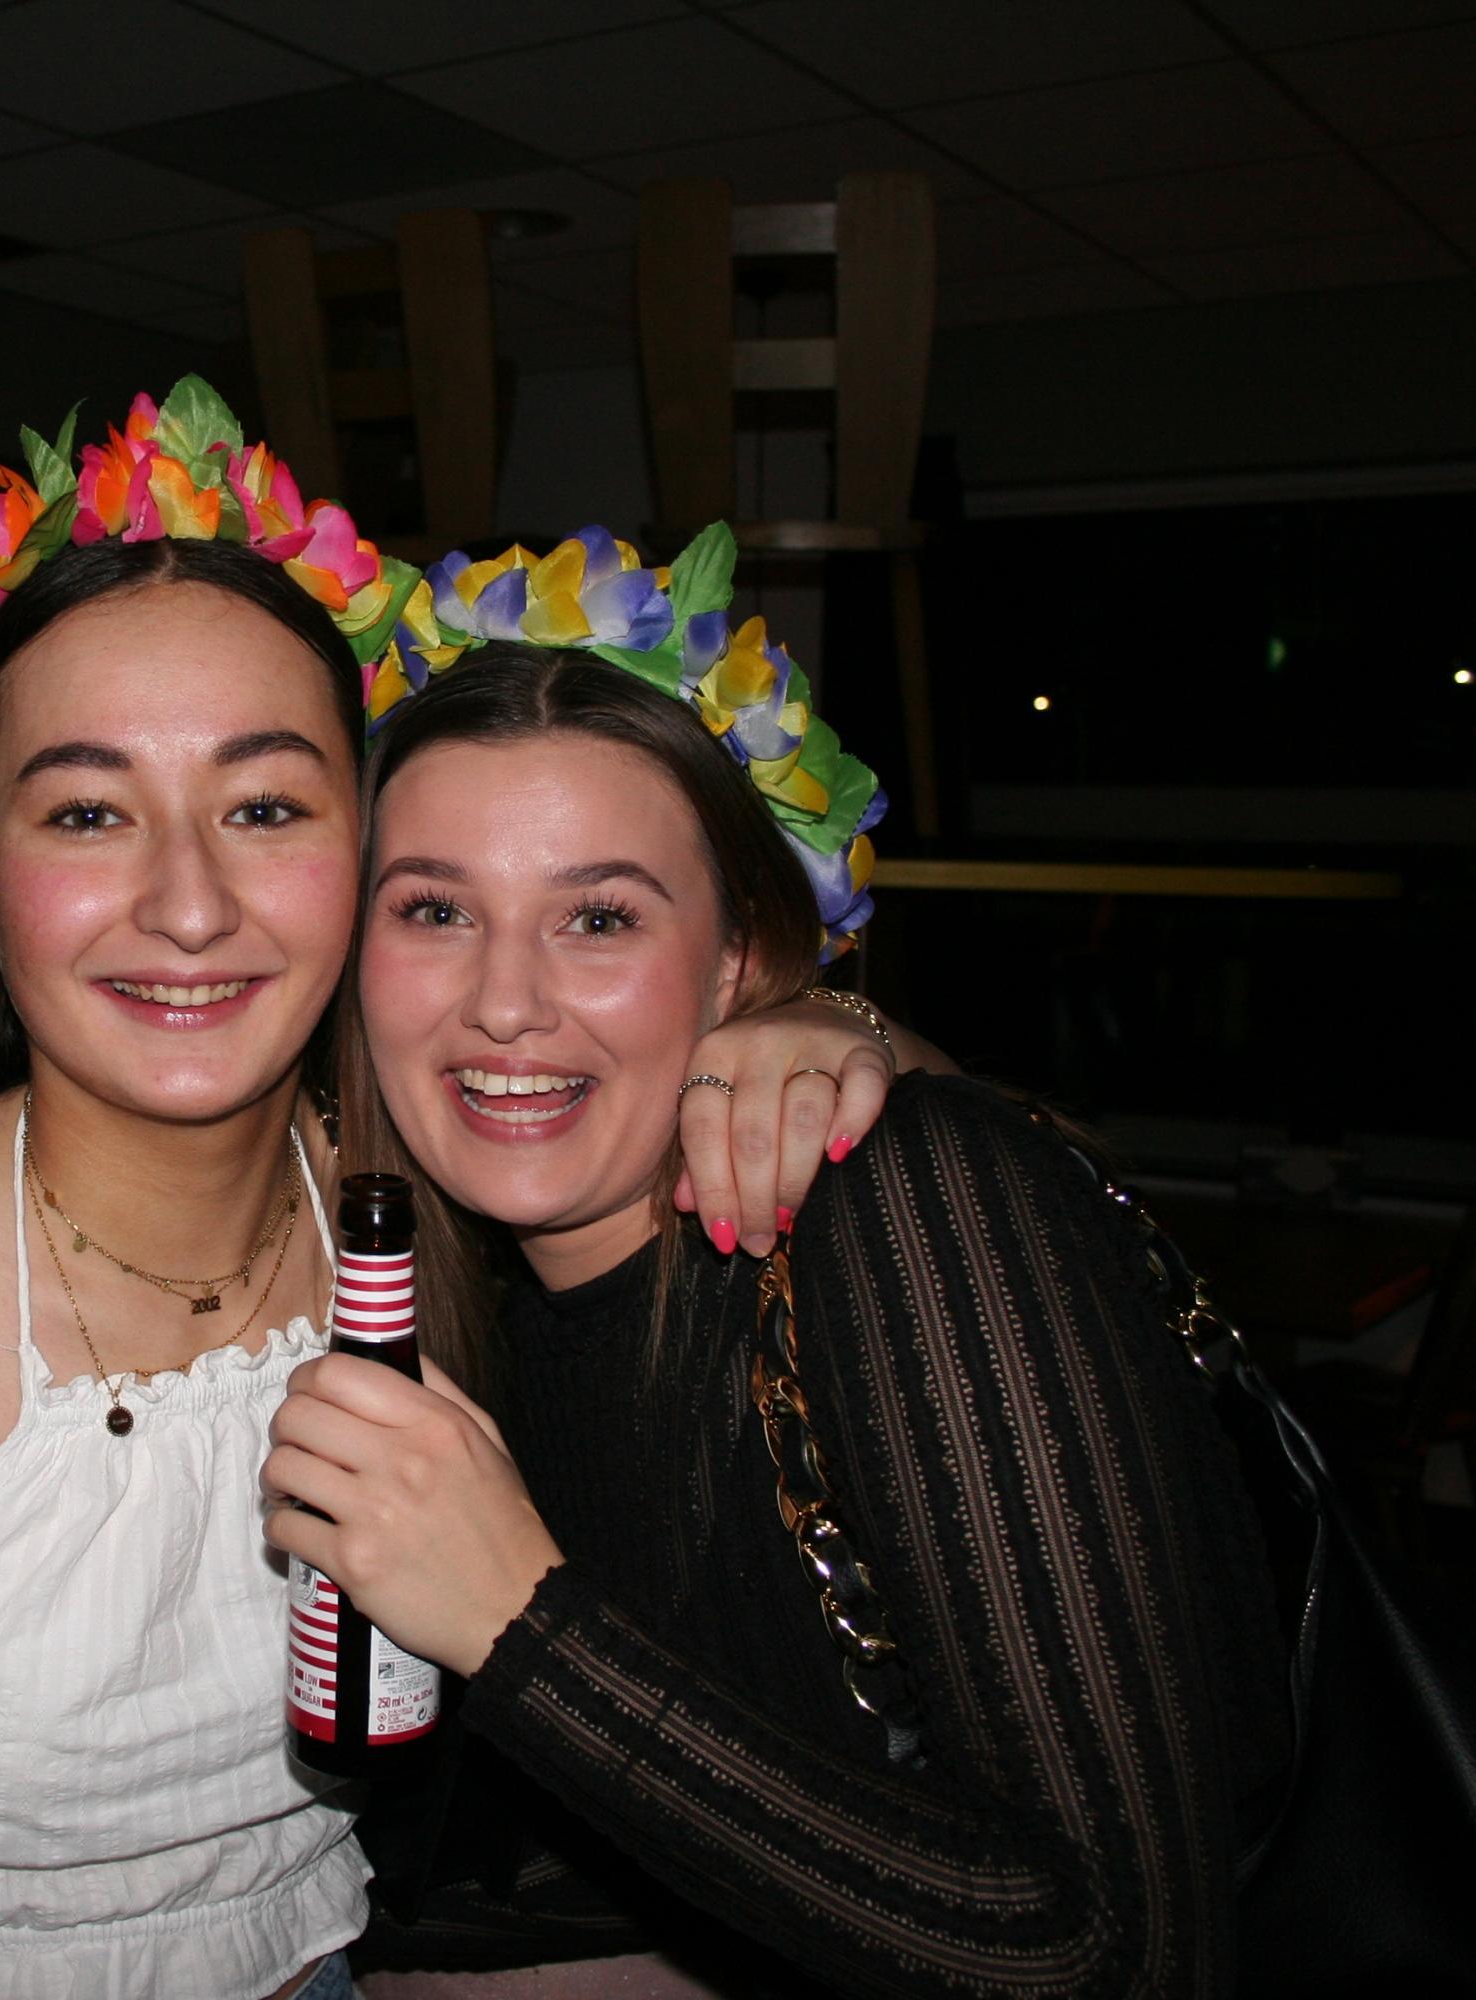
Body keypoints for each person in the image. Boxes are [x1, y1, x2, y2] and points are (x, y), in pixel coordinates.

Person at [0, 391, 926, 2000]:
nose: (187, 905)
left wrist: (829, 1027)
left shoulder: (443, 1191)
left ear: (365, 848)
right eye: (89, 812)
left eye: (264, 808)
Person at [264, 530, 1293, 1997]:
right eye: (435, 909)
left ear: (742, 958)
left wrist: (517, 1621)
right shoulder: (462, 1309)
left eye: (599, 917)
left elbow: (1123, 1955)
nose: (503, 1001)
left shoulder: (904, 1207)